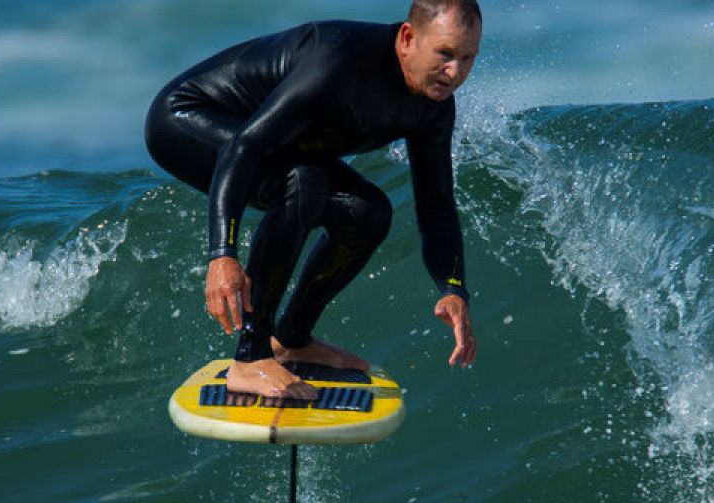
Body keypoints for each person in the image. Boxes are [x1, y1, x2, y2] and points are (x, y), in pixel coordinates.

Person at [146, 0, 481, 400]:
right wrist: (223, 254)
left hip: (270, 144)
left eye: (467, 58)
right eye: (445, 54)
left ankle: (292, 339)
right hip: (187, 119)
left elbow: (437, 204)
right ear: (408, 38)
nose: (455, 72)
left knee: (367, 213)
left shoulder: (434, 104)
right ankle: (250, 357)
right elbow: (245, 148)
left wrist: (453, 288)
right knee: (304, 181)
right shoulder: (338, 62)